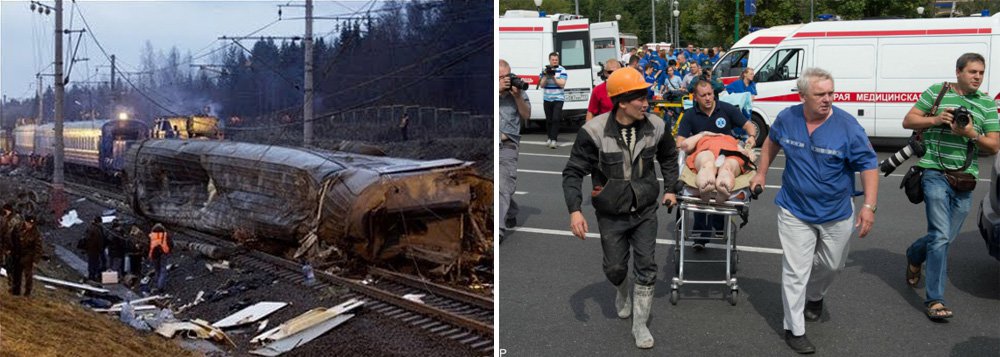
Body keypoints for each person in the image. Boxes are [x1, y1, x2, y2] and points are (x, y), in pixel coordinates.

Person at [749, 67, 878, 354]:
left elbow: (869, 165)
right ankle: (794, 329)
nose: (828, 99)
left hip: (837, 212)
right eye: (820, 94)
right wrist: (761, 173)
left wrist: (869, 206)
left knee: (832, 265)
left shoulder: (848, 127)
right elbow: (771, 142)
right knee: (796, 270)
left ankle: (816, 296)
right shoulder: (787, 118)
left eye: (831, 93)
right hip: (794, 209)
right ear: (803, 95)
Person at [562, 67, 679, 349]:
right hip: (611, 213)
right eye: (640, 98)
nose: (646, 103)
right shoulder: (593, 131)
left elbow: (669, 157)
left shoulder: (657, 126)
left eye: (646, 97)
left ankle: (640, 325)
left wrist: (671, 189)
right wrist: (575, 210)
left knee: (646, 266)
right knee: (615, 268)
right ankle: (622, 289)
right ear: (622, 102)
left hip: (645, 210)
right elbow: (573, 172)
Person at [902, 53, 999, 321]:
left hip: (965, 178)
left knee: (945, 237)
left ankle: (914, 254)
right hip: (934, 171)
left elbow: (994, 145)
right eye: (972, 72)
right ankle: (935, 300)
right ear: (958, 72)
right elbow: (908, 121)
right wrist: (935, 119)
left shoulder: (987, 104)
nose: (977, 77)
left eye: (981, 72)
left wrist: (971, 134)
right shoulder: (938, 91)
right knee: (940, 236)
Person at [677, 80, 758, 250]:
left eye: (710, 94)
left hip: (727, 150)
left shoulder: (727, 109)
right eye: (703, 95)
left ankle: (719, 224)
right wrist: (701, 135)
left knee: (727, 168)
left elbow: (749, 126)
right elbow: (681, 142)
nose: (708, 98)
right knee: (706, 171)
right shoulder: (690, 115)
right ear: (695, 97)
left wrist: (751, 137)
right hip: (703, 150)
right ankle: (701, 236)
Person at [499, 59, 531, 243]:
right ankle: (511, 210)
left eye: (508, 76)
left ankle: (498, 230)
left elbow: (526, 115)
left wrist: (517, 97)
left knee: (502, 184)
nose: (506, 80)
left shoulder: (517, 90)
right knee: (496, 185)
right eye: (501, 77)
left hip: (507, 144)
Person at [678, 132, 755, 203]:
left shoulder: (733, 140)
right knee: (714, 165)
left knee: (718, 166)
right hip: (709, 149)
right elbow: (685, 146)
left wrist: (748, 153)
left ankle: (712, 185)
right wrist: (703, 134)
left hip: (729, 152)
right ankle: (719, 184)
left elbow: (744, 153)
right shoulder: (704, 137)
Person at [8, 215, 43, 296]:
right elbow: (11, 238)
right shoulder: (18, 227)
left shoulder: (35, 233)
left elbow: (38, 248)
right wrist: (9, 248)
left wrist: (35, 260)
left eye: (31, 224)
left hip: (28, 256)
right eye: (28, 223)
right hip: (17, 253)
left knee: (28, 275)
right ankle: (15, 291)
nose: (29, 226)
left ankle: (27, 292)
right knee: (16, 273)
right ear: (25, 222)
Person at [539, 52, 567, 149]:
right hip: (547, 98)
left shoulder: (562, 70)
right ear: (549, 60)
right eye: (553, 60)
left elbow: (562, 84)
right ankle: (549, 138)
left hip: (558, 98)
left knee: (556, 119)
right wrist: (546, 76)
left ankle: (554, 139)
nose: (555, 61)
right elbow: (541, 85)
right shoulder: (545, 70)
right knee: (549, 119)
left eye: (556, 60)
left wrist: (554, 77)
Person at [148, 223, 172, 292]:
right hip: (163, 253)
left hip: (154, 254)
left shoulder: (151, 236)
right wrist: (169, 251)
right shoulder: (165, 235)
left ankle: (157, 284)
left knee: (157, 270)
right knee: (163, 269)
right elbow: (171, 244)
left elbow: (148, 245)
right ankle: (161, 286)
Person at [82, 216, 105, 282]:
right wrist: (101, 249)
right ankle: (93, 276)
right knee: (95, 263)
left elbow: (85, 238)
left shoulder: (90, 228)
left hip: (90, 249)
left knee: (91, 262)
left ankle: (91, 275)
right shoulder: (98, 230)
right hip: (95, 249)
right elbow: (99, 241)